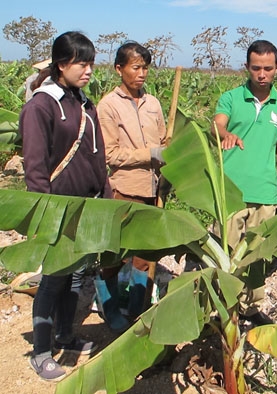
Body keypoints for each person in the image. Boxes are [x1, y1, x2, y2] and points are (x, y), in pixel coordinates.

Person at [20, 31, 108, 381]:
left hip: (87, 205)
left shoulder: (83, 103)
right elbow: (35, 165)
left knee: (74, 276)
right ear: (61, 64)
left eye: (91, 63)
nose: (88, 70)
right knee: (53, 278)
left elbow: (96, 153)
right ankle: (41, 352)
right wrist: (44, 212)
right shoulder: (42, 106)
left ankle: (66, 335)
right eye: (81, 63)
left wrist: (105, 192)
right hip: (58, 208)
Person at [211, 39, 277, 324]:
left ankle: (251, 308)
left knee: (257, 256)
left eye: (268, 68)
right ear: (247, 67)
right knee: (226, 253)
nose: (262, 74)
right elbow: (217, 123)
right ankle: (220, 308)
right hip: (230, 190)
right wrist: (225, 134)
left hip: (266, 191)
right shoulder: (232, 98)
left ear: (276, 68)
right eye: (256, 68)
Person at [96, 41, 167, 332]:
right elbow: (110, 154)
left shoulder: (153, 104)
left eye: (145, 68)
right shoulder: (108, 106)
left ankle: (136, 311)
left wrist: (165, 157)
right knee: (114, 255)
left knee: (144, 257)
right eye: (135, 67)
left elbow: (164, 142)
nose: (142, 73)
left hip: (153, 191)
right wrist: (148, 154)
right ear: (119, 69)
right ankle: (111, 311)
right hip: (125, 190)